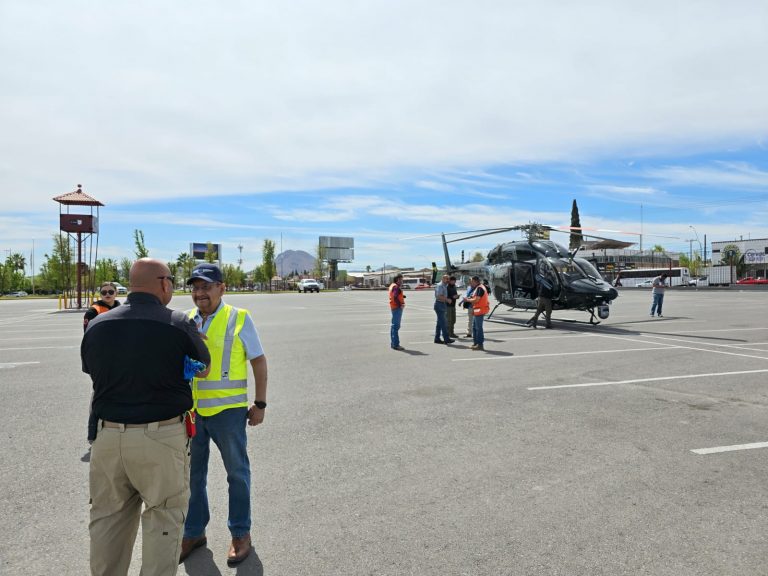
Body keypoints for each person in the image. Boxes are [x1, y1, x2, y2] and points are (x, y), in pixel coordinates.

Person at [82, 258, 210, 576]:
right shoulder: (178, 322)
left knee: (108, 521)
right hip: (160, 438)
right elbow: (203, 365)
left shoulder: (98, 323)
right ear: (163, 283)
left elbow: (91, 369)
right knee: (163, 519)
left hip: (108, 438)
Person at [181, 263, 269, 566]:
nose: (199, 293)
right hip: (194, 414)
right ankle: (194, 532)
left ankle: (240, 533)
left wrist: (260, 403)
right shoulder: (187, 321)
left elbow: (258, 360)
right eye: (195, 287)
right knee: (193, 477)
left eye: (206, 286)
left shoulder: (238, 318)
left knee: (237, 475)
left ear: (222, 288)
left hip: (228, 413)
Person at [84, 282, 122, 443]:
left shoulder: (121, 308)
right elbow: (88, 337)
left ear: (116, 293)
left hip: (120, 359)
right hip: (102, 360)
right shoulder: (93, 311)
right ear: (100, 294)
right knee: (99, 395)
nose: (107, 294)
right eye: (104, 292)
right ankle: (92, 432)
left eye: (110, 292)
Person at [465, 276, 489, 350]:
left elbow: (476, 300)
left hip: (480, 310)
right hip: (477, 310)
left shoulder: (480, 288)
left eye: (471, 281)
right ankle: (476, 343)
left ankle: (480, 345)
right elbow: (475, 298)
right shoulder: (478, 287)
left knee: (478, 328)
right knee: (475, 328)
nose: (470, 283)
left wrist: (468, 300)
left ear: (475, 281)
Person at [433, 274, 454, 344]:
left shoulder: (444, 286)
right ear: (442, 279)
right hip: (439, 304)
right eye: (446, 279)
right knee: (444, 323)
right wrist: (447, 299)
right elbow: (439, 296)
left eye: (448, 279)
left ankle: (437, 338)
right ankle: (446, 338)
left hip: (442, 304)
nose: (447, 280)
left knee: (439, 323)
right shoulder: (440, 286)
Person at [388, 274, 406, 350]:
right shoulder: (396, 287)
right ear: (398, 280)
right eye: (401, 280)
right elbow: (395, 296)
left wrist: (402, 296)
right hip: (397, 308)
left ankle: (393, 344)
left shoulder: (392, 286)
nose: (402, 281)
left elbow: (395, 295)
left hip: (393, 307)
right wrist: (400, 305)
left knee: (393, 326)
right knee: (396, 326)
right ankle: (396, 344)